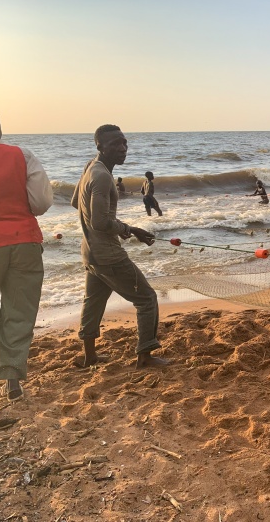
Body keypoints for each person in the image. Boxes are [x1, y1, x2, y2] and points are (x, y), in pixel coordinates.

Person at [71, 125, 168, 369]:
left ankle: (89, 356)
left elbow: (76, 203)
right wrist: (130, 230)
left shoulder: (90, 167)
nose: (123, 148)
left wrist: (112, 228)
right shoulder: (102, 176)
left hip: (90, 252)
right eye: (115, 144)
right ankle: (145, 357)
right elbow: (100, 221)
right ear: (100, 146)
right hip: (108, 255)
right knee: (147, 298)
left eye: (124, 142)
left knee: (93, 302)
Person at [0, 113, 53, 402]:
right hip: (23, 239)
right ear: (0, 131)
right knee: (19, 311)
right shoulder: (22, 155)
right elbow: (41, 202)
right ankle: (11, 378)